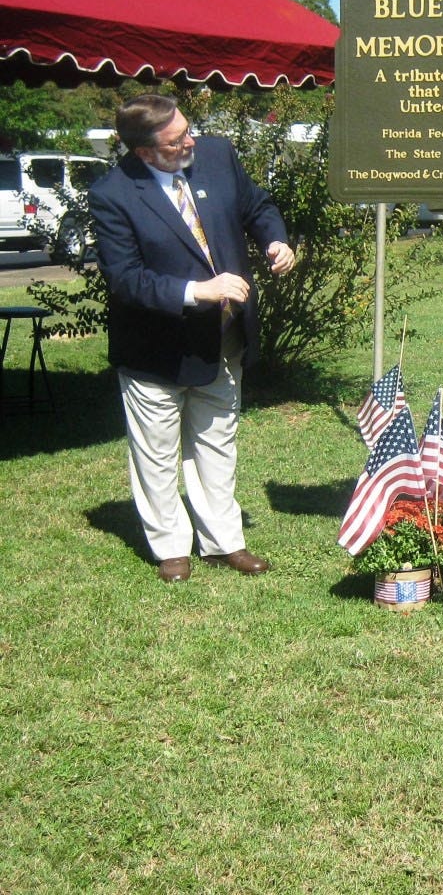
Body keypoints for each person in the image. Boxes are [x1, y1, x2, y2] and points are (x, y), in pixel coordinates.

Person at [89, 95, 297, 582]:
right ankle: (171, 549)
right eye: (176, 139)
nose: (190, 141)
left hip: (223, 339)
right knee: (157, 453)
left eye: (188, 129)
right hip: (154, 349)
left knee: (217, 442)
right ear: (144, 153)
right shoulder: (113, 194)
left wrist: (275, 238)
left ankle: (224, 542)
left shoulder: (217, 155)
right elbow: (125, 279)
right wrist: (198, 291)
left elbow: (256, 204)